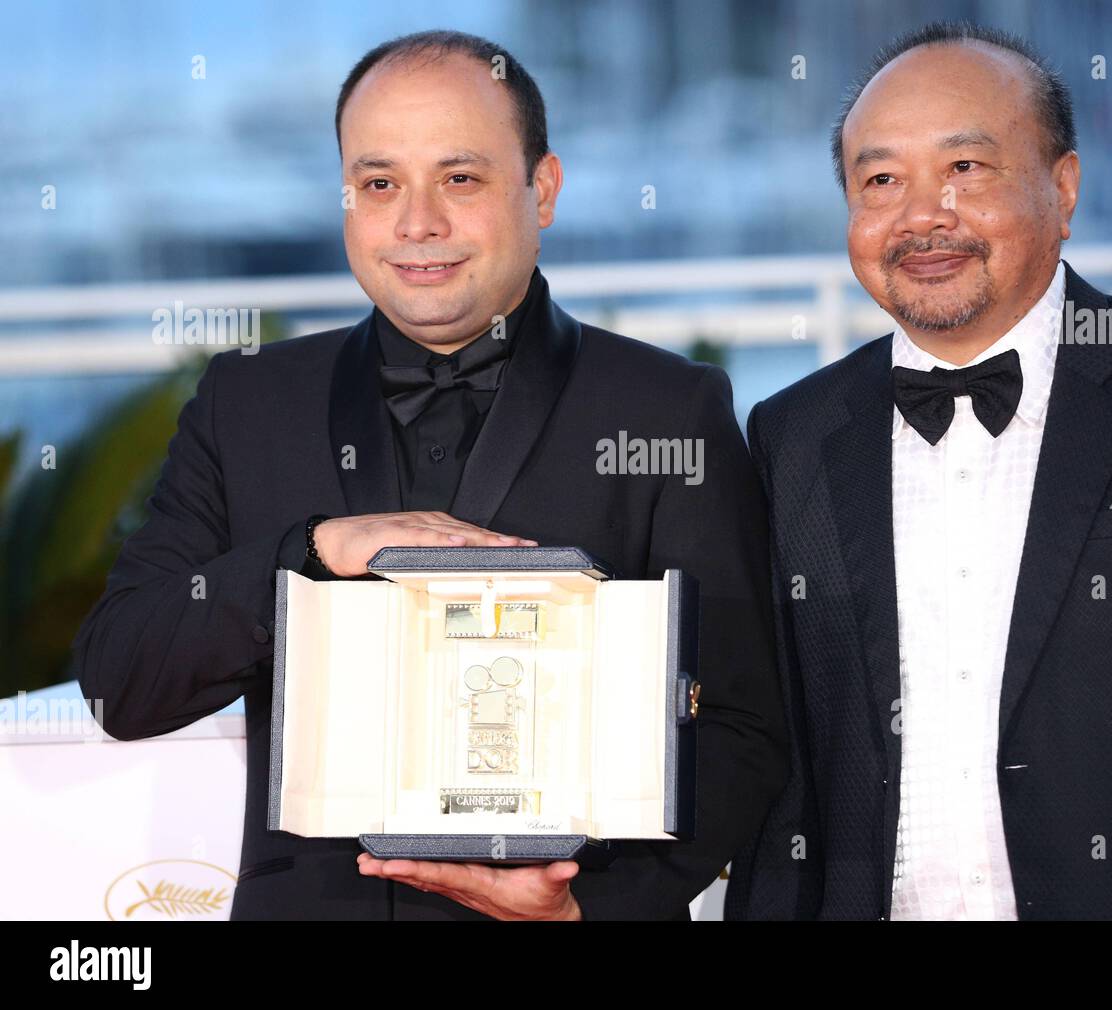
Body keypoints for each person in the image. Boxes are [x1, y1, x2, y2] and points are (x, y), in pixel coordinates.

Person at [73, 29, 787, 921]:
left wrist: (583, 909)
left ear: (544, 189)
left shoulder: (667, 411)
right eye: (380, 185)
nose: (417, 224)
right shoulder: (244, 402)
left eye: (460, 178)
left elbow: (745, 727)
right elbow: (121, 680)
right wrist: (311, 550)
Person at [725, 21, 1112, 920]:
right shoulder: (790, 434)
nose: (923, 216)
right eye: (881, 181)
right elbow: (788, 765)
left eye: (966, 169)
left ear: (1062, 189)